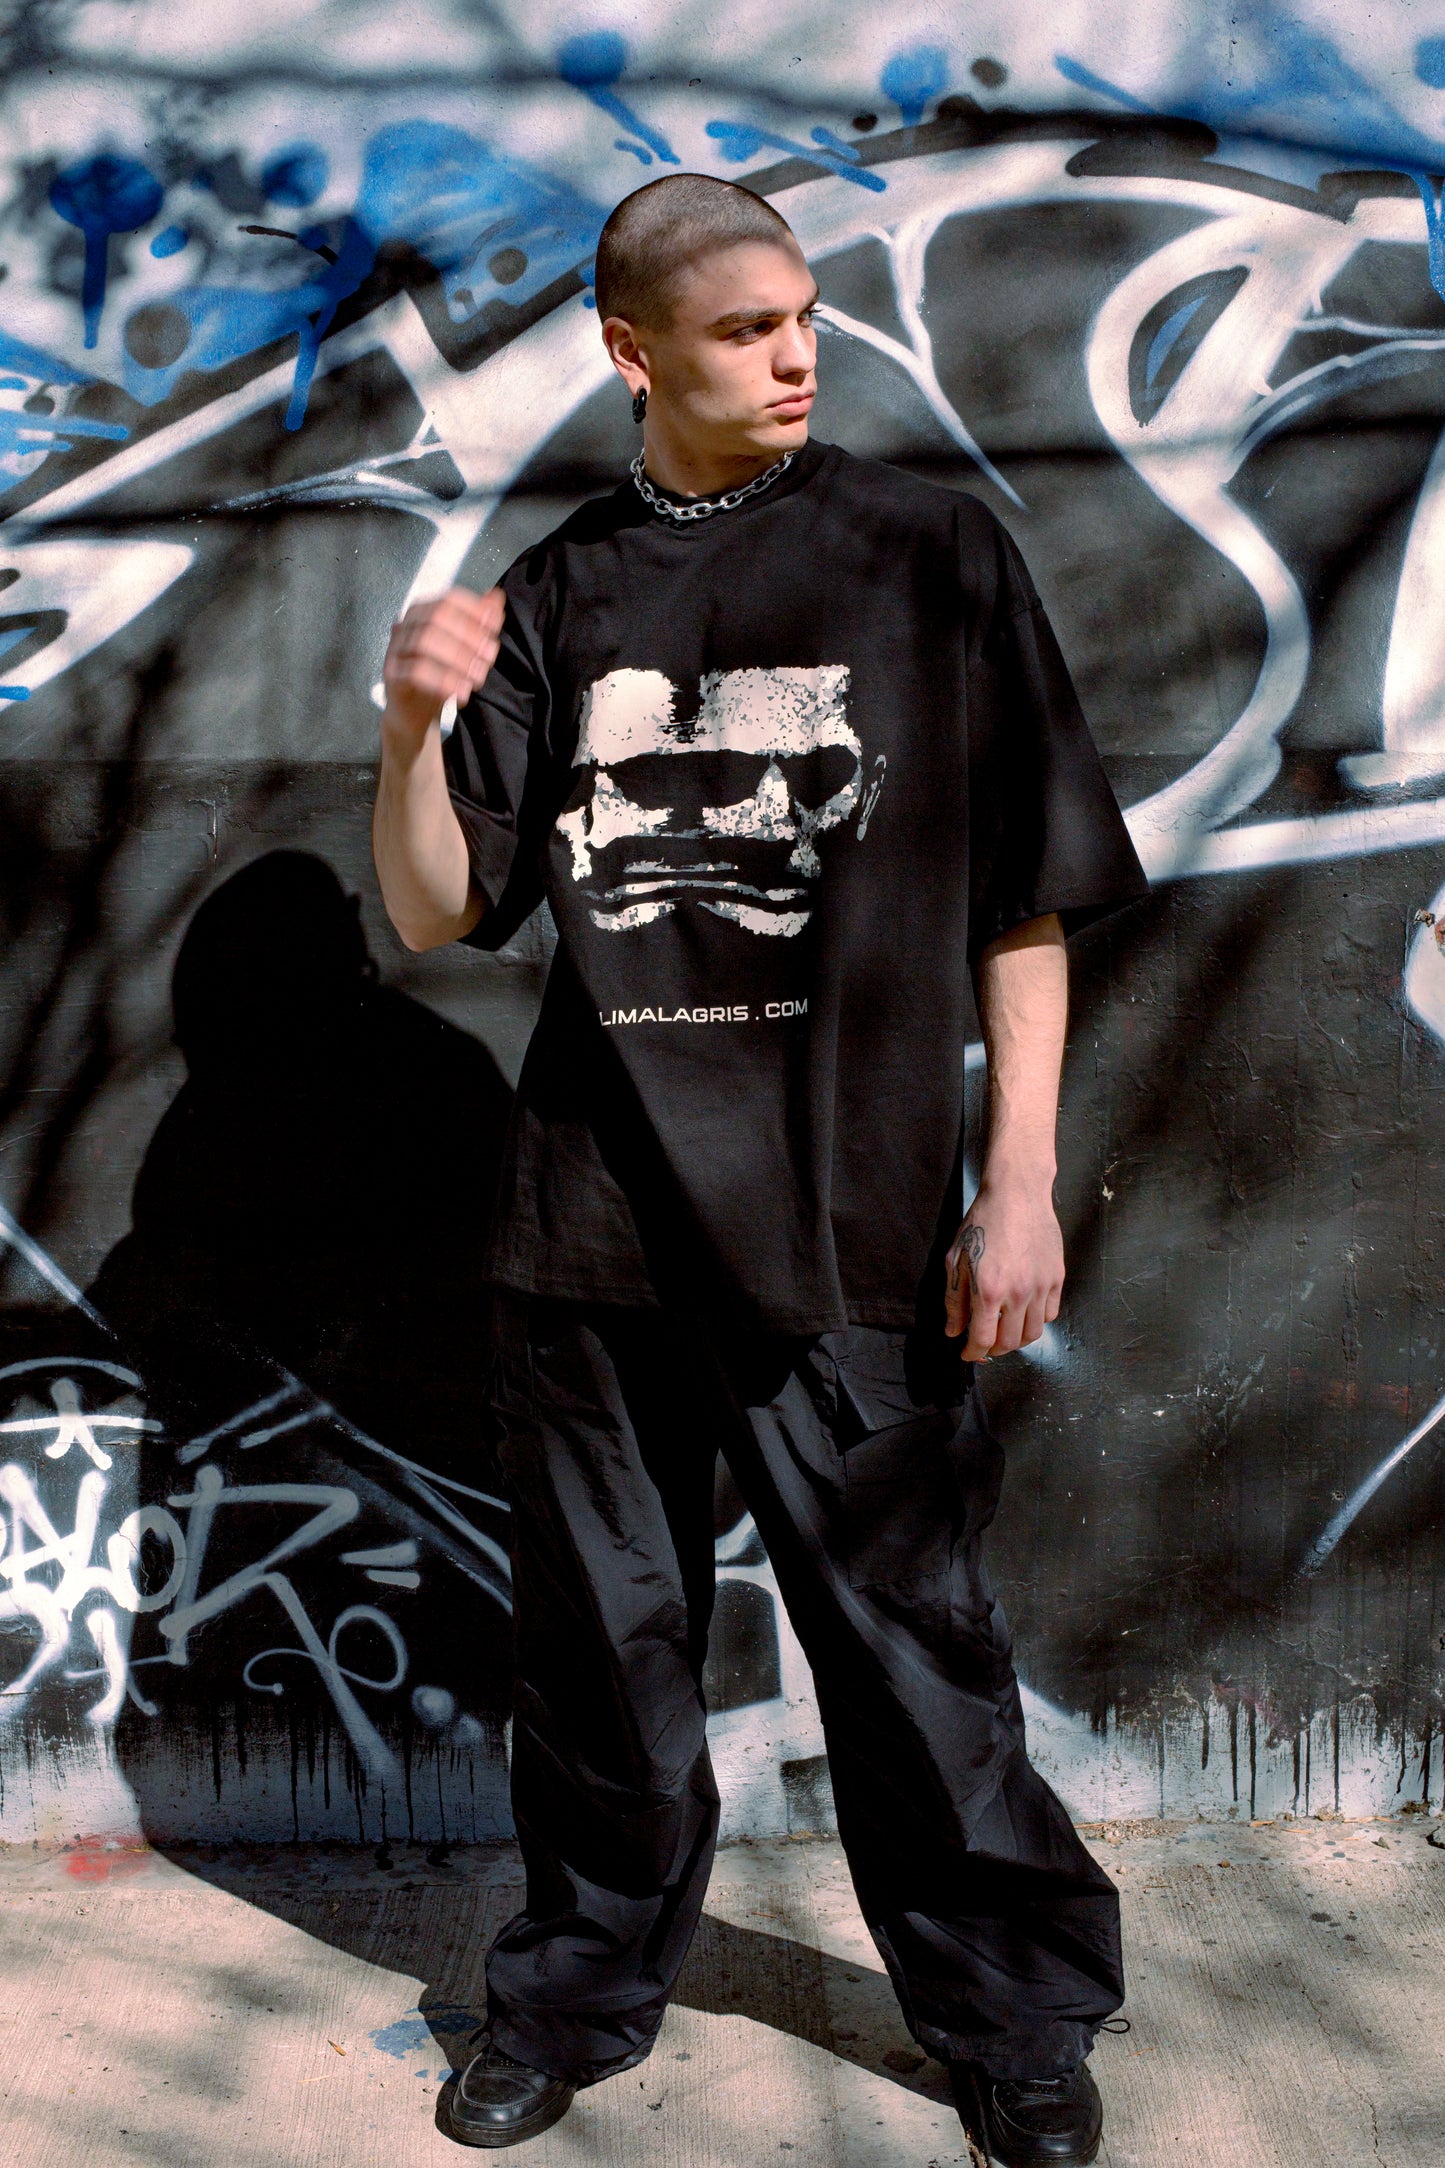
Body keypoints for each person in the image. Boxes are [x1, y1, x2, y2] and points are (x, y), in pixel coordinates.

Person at [372, 172, 1148, 2164]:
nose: (798, 355)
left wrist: (1019, 1181)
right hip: (594, 1223)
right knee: (601, 1662)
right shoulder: (560, 592)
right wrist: (407, 730)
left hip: (854, 1219)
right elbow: (440, 908)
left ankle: (1013, 2022)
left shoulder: (926, 555)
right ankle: (571, 1996)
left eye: (804, 316)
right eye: (744, 329)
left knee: (912, 1661)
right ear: (633, 351)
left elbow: (1024, 899)